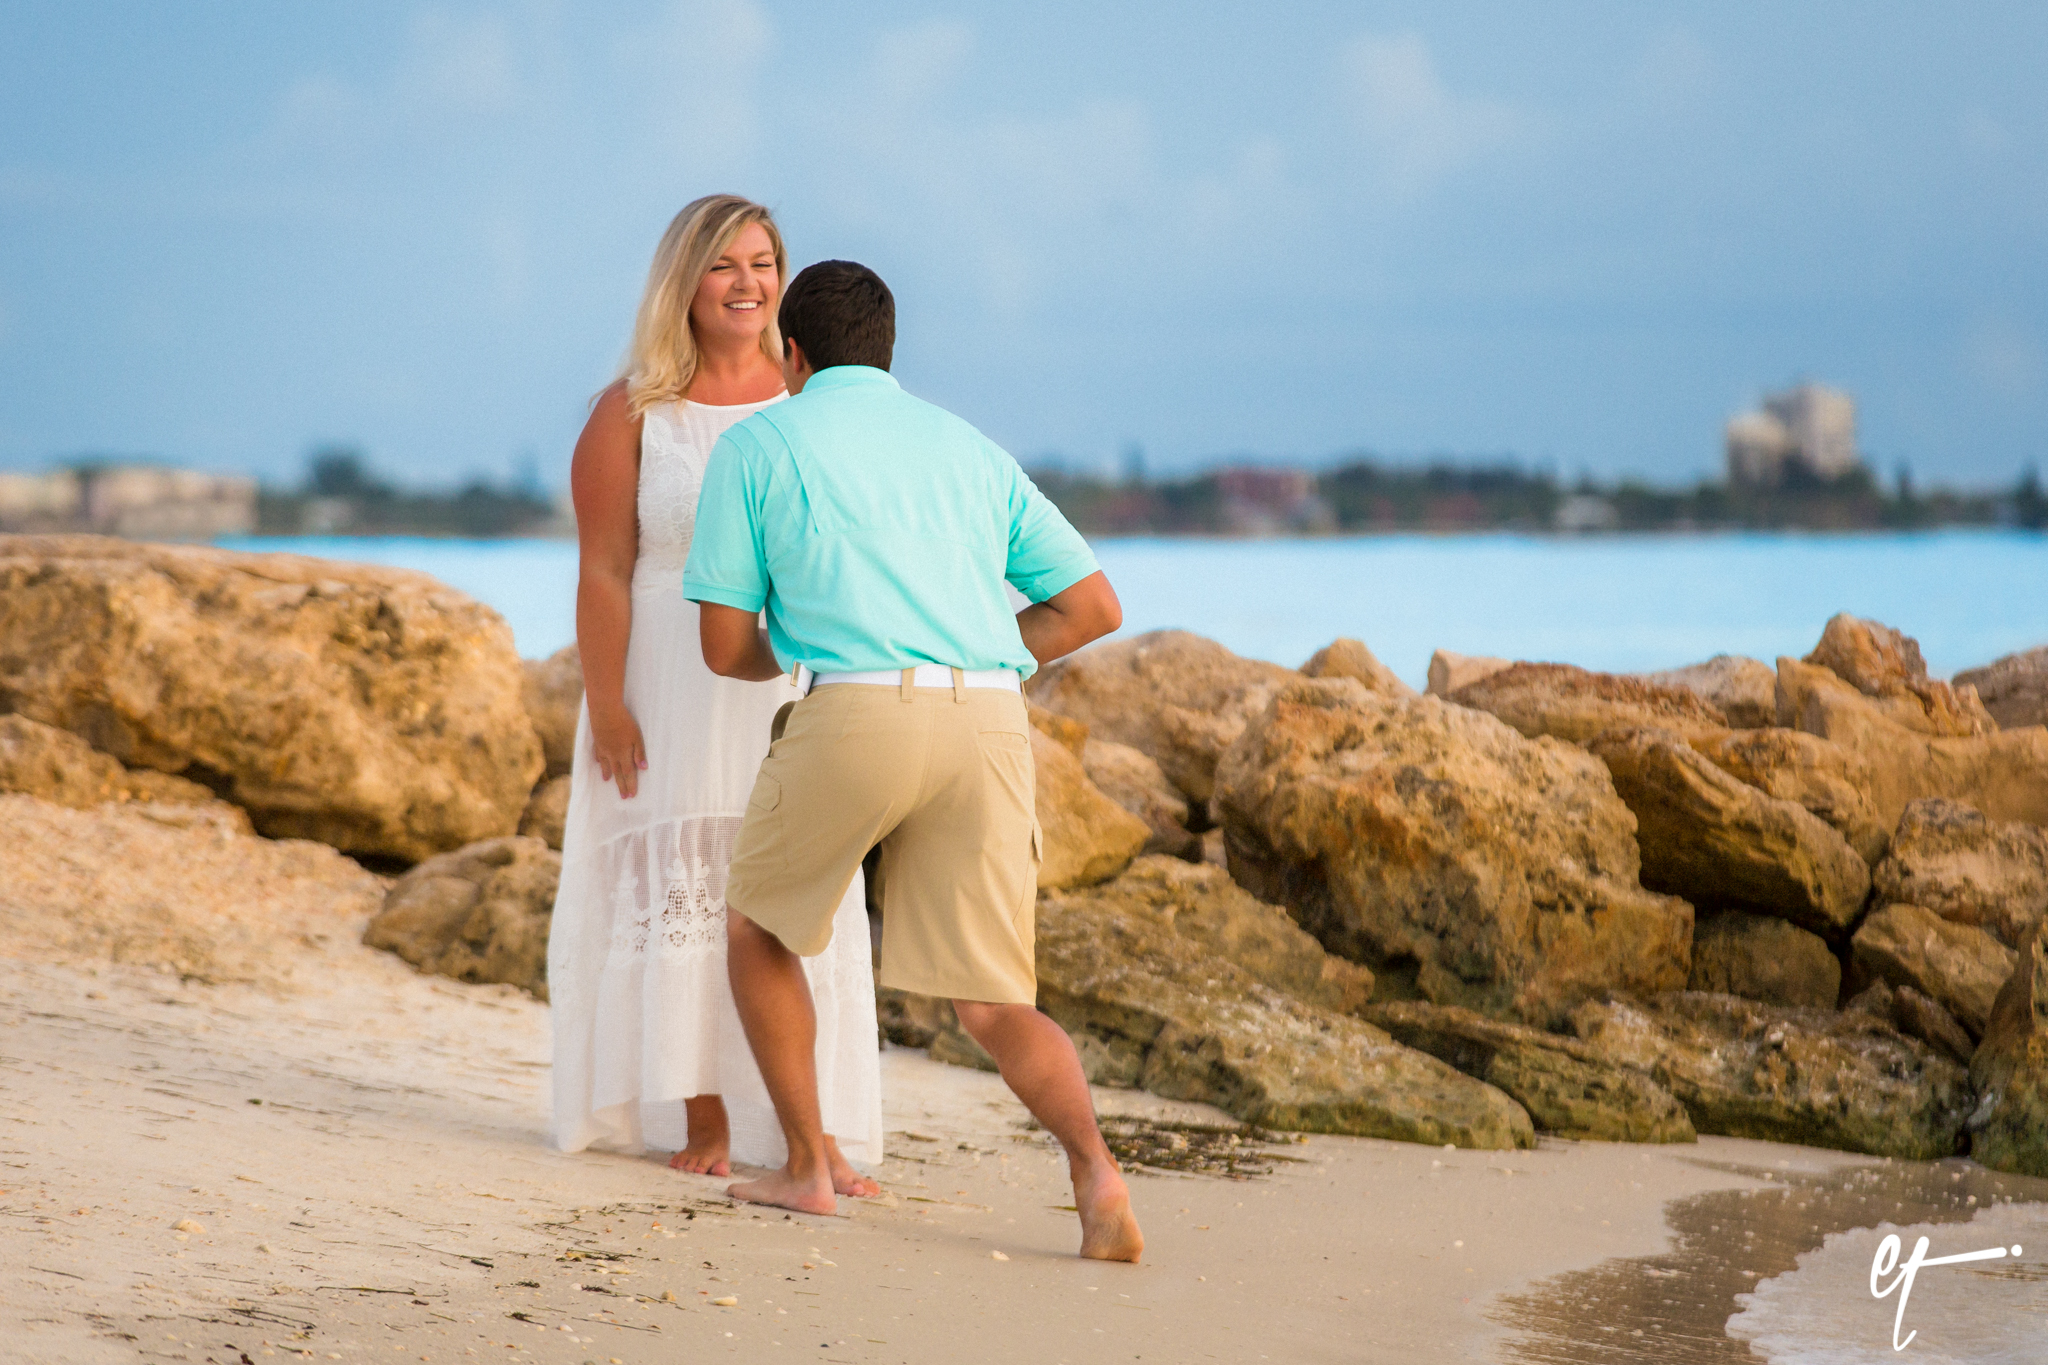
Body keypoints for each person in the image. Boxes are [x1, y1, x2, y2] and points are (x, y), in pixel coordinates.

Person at [682, 260, 1144, 1261]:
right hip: (984, 716)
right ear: (889, 353)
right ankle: (1095, 1175)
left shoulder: (759, 444)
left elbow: (724, 648)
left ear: (790, 353)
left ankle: (807, 1167)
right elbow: (1093, 608)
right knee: (989, 1000)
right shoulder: (965, 448)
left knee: (758, 928)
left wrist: (804, 642)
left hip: (854, 711)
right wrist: (977, 651)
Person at [546, 196, 882, 1195]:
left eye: (763, 263)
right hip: (664, 675)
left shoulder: (811, 401)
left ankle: (809, 1134)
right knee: (685, 877)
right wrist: (606, 701)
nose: (747, 284)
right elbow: (604, 568)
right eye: (724, 266)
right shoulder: (633, 410)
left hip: (787, 672)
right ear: (683, 285)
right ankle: (701, 1108)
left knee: (794, 888)